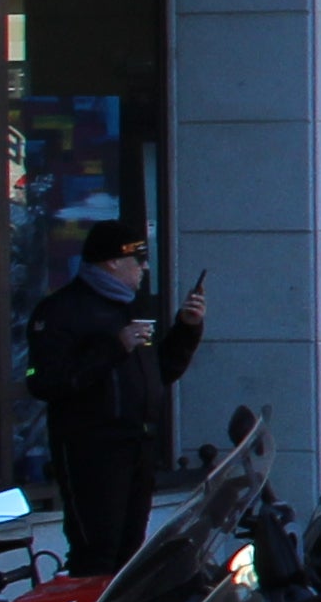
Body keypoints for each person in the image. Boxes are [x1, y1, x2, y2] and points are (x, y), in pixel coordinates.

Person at [25, 221, 204, 575]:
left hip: (137, 444)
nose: (145, 268)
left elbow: (159, 373)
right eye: (138, 260)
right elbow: (45, 382)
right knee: (97, 549)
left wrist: (186, 328)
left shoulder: (126, 308)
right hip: (91, 448)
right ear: (111, 263)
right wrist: (114, 347)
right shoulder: (61, 310)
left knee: (130, 550)